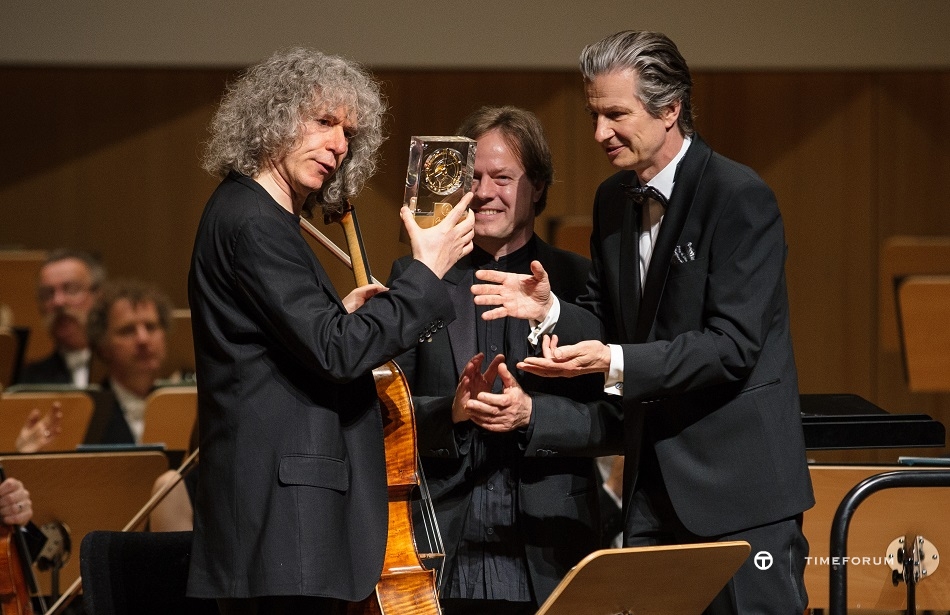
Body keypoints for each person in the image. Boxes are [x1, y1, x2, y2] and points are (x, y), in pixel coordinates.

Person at [471, 31, 815, 614]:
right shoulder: (612, 201)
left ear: (671, 108)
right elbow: (608, 321)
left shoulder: (738, 197)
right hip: (651, 491)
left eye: (615, 114)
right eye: (594, 115)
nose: (600, 132)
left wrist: (617, 360)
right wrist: (552, 310)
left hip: (740, 495)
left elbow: (731, 346)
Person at [186, 47, 474, 615]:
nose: (340, 145)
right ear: (273, 118)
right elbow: (338, 354)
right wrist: (426, 272)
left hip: (282, 526)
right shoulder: (252, 221)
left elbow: (301, 343)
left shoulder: (261, 218)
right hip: (284, 525)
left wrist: (339, 315)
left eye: (348, 132)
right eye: (324, 122)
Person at [387, 105, 620, 614]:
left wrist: (534, 414)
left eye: (503, 177)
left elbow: (616, 421)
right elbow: (387, 413)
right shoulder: (416, 275)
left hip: (550, 547)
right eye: (474, 178)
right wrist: (450, 411)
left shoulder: (581, 282)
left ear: (537, 185)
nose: (486, 192)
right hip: (442, 541)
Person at [82, 279, 171, 445]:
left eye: (151, 327)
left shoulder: (186, 406)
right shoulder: (88, 416)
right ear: (102, 346)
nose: (143, 339)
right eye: (128, 330)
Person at [17, 249, 105, 387]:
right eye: (48, 293)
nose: (58, 301)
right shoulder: (26, 382)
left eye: (71, 289)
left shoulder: (123, 370)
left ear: (98, 296)